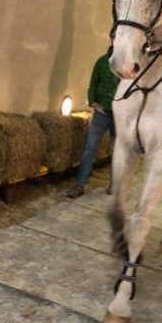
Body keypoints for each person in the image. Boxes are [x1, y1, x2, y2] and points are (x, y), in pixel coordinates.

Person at [67, 30, 119, 199]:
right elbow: (93, 84)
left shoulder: (127, 64)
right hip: (101, 113)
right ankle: (80, 184)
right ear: (111, 39)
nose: (117, 40)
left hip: (119, 116)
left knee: (117, 151)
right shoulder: (102, 62)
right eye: (115, 36)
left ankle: (114, 182)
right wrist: (92, 102)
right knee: (90, 148)